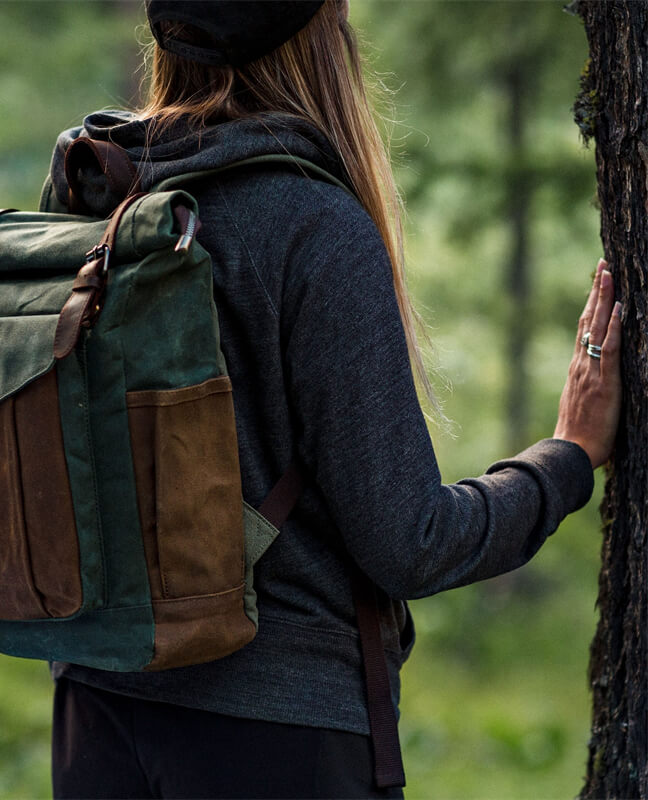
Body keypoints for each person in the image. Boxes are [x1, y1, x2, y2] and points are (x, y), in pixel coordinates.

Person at [44, 1, 622, 797]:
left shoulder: (94, 190)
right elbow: (410, 541)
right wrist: (567, 458)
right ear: (322, 39)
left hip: (95, 709)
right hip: (277, 737)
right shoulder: (312, 226)